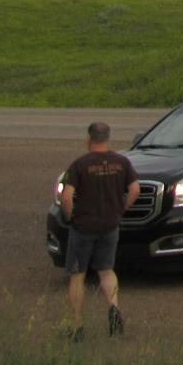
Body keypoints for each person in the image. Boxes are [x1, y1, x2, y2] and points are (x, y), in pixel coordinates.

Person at [60, 121, 140, 340]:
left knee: (77, 275)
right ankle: (113, 308)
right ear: (107, 138)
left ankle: (76, 326)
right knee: (106, 270)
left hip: (83, 227)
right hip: (110, 225)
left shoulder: (80, 164)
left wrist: (70, 216)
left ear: (89, 139)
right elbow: (135, 189)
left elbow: (66, 196)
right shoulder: (122, 162)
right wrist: (121, 209)